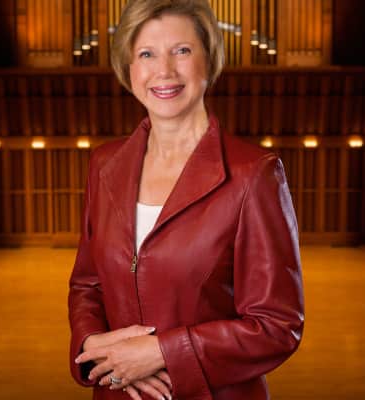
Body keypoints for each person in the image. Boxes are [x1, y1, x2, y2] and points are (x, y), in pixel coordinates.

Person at [68, 1, 304, 399]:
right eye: (147, 54)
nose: (164, 70)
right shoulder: (104, 164)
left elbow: (277, 326)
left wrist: (161, 353)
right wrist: (94, 346)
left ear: (209, 60)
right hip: (117, 391)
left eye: (181, 50)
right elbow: (87, 285)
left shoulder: (254, 173)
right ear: (128, 68)